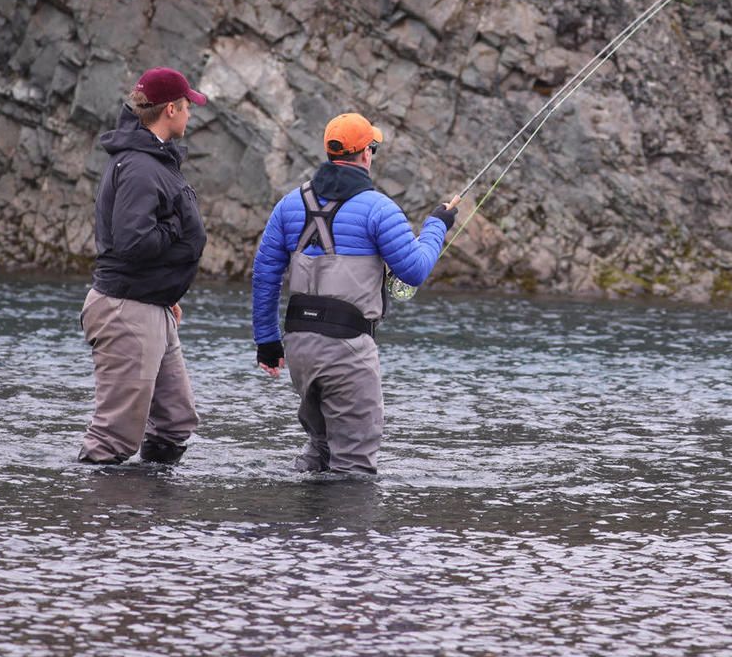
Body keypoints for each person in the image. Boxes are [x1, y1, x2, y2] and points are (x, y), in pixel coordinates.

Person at [250, 112, 458, 475]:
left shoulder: (288, 205)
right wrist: (437, 226)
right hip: (347, 349)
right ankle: (342, 534)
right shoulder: (379, 209)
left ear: (330, 153)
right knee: (354, 468)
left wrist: (267, 341)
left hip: (299, 347)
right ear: (365, 154)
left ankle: (300, 529)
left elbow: (264, 275)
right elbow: (414, 270)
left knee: (321, 447)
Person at [77, 66, 209, 466]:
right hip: (127, 309)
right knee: (114, 436)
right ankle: (102, 521)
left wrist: (166, 295)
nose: (190, 113)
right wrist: (174, 227)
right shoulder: (138, 165)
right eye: (187, 106)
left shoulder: (153, 159)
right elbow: (133, 242)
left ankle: (150, 517)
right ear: (170, 109)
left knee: (174, 421)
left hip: (150, 304)